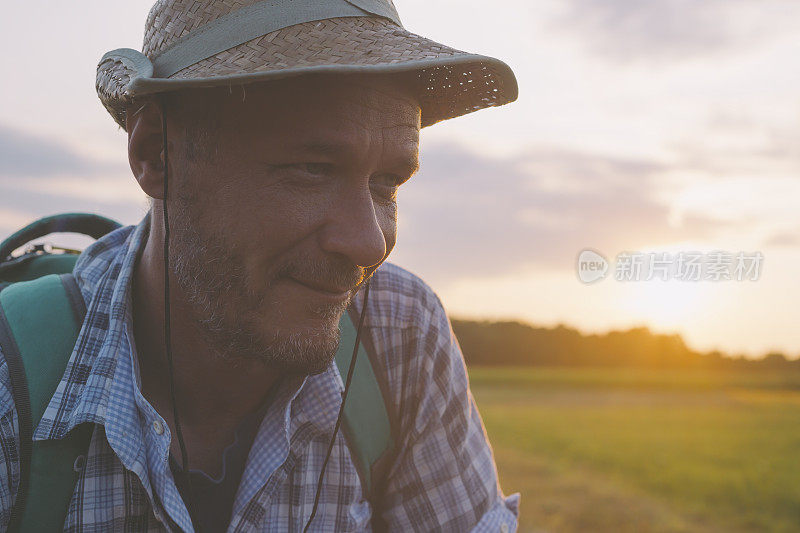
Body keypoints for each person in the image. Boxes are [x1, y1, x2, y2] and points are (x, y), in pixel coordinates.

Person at [0, 0, 519, 531]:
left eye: (387, 183)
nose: (369, 244)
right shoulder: (10, 380)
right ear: (157, 154)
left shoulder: (400, 331)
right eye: (312, 169)